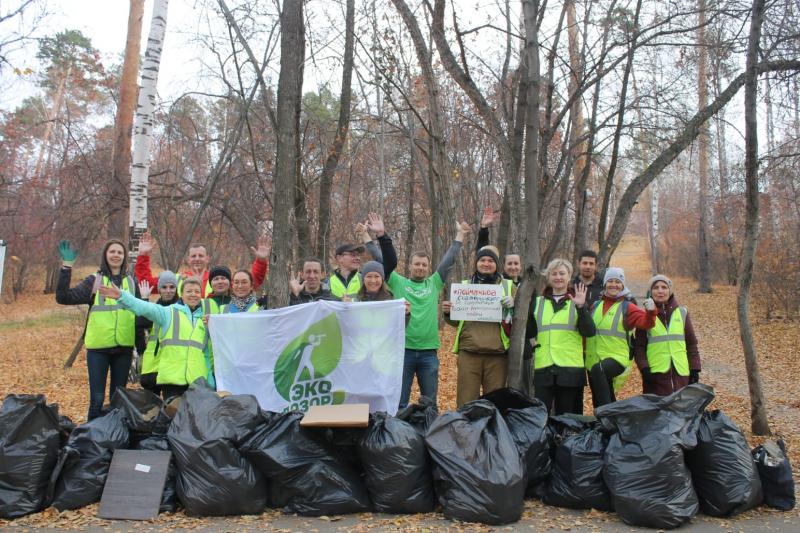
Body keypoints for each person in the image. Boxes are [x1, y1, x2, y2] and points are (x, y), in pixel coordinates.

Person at [378, 216, 471, 409]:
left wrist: (460, 236)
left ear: (428, 268)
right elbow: (381, 260)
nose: (420, 267)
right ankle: (399, 436)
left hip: (429, 352)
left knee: (430, 404)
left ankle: (428, 434)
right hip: (403, 351)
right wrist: (370, 237)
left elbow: (448, 259)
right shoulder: (397, 282)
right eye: (417, 264)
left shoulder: (435, 283)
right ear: (410, 266)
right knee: (400, 402)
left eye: (424, 265)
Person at [55, 239, 139, 420]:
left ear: (124, 257)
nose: (116, 255)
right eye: (112, 252)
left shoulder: (131, 283)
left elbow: (140, 313)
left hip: (123, 349)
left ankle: (115, 437)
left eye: (119, 252)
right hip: (98, 350)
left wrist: (142, 348)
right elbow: (63, 297)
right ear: (105, 255)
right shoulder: (95, 280)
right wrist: (66, 267)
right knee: (97, 400)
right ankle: (93, 441)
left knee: (118, 400)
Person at [100, 277, 212, 398]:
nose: (193, 295)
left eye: (196, 291)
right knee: (172, 416)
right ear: (182, 295)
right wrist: (122, 296)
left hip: (196, 381)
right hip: (172, 380)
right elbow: (145, 308)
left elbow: (208, 351)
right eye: (189, 291)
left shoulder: (205, 320)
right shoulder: (168, 313)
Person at [443, 248, 516, 407]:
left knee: (495, 403)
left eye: (491, 261)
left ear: (497, 265)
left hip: (497, 353)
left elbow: (520, 318)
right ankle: (466, 431)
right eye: (482, 260)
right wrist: (448, 313)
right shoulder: (465, 286)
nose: (486, 264)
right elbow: (456, 322)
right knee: (466, 401)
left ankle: (493, 431)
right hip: (469, 351)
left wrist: (514, 304)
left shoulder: (508, 286)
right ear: (476, 264)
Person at [525, 258, 596, 415]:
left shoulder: (578, 301)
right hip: (544, 368)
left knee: (569, 418)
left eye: (562, 273)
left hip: (570, 369)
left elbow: (589, 332)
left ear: (569, 276)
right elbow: (529, 331)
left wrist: (581, 307)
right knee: (541, 416)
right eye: (554, 273)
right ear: (548, 277)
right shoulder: (537, 302)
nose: (558, 277)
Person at [585, 267, 657, 407]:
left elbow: (647, 323)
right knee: (599, 397)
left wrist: (651, 311)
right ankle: (607, 422)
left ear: (622, 285)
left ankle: (607, 414)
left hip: (616, 357)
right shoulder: (595, 305)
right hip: (594, 359)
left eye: (618, 282)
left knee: (599, 372)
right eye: (610, 281)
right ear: (605, 283)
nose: (614, 285)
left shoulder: (628, 307)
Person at [634, 275, 701, 395]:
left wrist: (695, 369)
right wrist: (644, 369)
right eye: (656, 287)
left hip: (681, 375)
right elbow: (639, 347)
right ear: (651, 291)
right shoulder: (643, 315)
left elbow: (691, 343)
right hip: (655, 377)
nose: (660, 291)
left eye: (664, 287)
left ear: (670, 291)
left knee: (681, 411)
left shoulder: (682, 313)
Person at [137, 271, 179, 395]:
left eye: (172, 287)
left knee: (171, 405)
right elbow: (140, 323)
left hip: (173, 363)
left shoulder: (182, 309)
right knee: (152, 408)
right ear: (159, 290)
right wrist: (144, 300)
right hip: (153, 363)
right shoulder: (154, 308)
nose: (168, 290)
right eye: (164, 287)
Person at [327, 216, 384, 299]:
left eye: (358, 255)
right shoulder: (328, 283)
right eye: (353, 255)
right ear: (339, 258)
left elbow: (381, 261)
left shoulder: (365, 279)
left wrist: (365, 236)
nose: (358, 258)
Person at [475, 206, 522, 285]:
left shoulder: (508, 284)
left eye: (491, 261)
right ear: (503, 266)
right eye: (509, 263)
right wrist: (484, 228)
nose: (486, 264)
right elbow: (482, 251)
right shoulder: (470, 283)